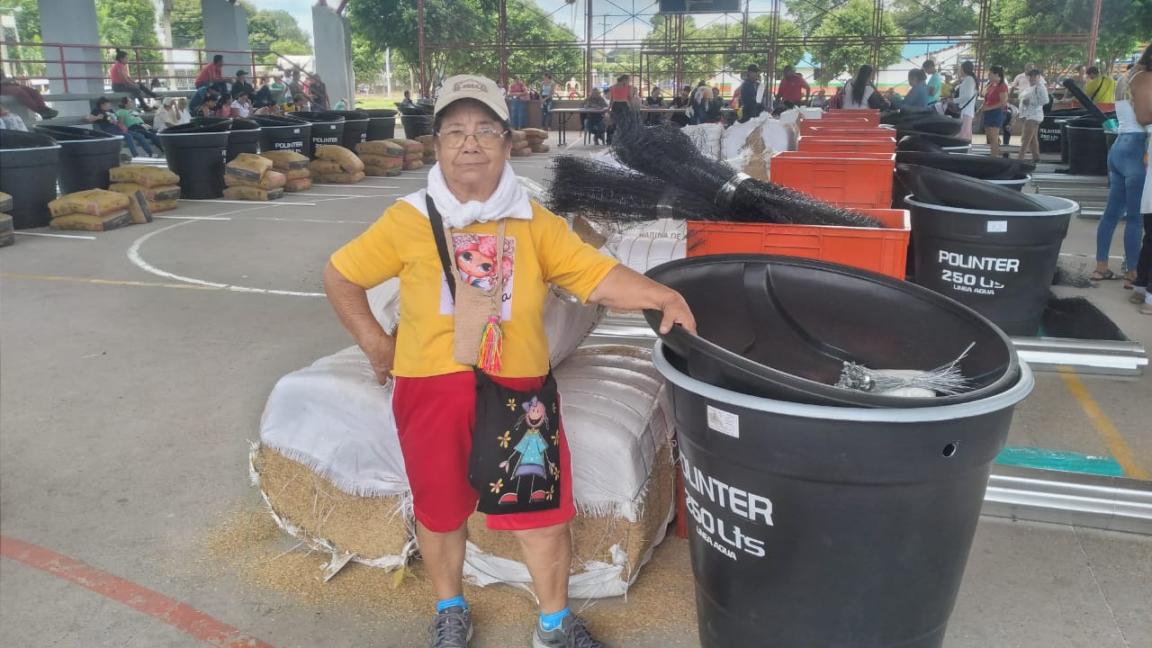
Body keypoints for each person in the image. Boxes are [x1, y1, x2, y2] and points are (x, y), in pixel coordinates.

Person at [323, 74, 695, 648]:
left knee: (542, 509)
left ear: (504, 141)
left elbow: (594, 275)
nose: (469, 143)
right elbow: (341, 276)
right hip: (429, 389)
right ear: (438, 145)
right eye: (455, 131)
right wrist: (376, 343)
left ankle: (552, 623)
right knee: (441, 509)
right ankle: (450, 608)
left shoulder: (533, 221)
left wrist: (661, 295)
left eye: (484, 131)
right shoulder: (406, 219)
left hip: (519, 390)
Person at [1094, 44, 1150, 291]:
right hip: (1137, 147)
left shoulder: (1123, 77)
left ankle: (1101, 266)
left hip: (1118, 145)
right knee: (1136, 218)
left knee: (1111, 213)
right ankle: (1132, 272)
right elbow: (1144, 118)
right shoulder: (1145, 78)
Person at [1017, 69, 1048, 164]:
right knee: (1032, 138)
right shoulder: (1030, 87)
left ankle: (1020, 159)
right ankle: (1036, 157)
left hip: (1033, 116)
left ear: (1039, 77)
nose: (1032, 78)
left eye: (1035, 76)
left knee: (1026, 138)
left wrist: (1031, 102)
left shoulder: (1040, 87)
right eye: (1031, 76)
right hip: (1027, 115)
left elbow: (1045, 101)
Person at [979, 65, 1009, 158]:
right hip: (988, 112)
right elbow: (986, 98)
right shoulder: (990, 85)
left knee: (993, 137)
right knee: (990, 136)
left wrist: (989, 108)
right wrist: (980, 109)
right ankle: (996, 150)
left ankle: (994, 156)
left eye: (990, 74)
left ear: (997, 74)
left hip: (997, 113)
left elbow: (1003, 102)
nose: (988, 76)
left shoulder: (1002, 86)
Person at [956, 60, 979, 140]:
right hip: (967, 111)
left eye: (960, 69)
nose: (959, 70)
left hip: (966, 111)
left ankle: (963, 151)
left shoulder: (969, 79)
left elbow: (967, 96)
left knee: (964, 134)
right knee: (966, 133)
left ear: (963, 69)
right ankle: (966, 151)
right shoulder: (969, 79)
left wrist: (953, 100)